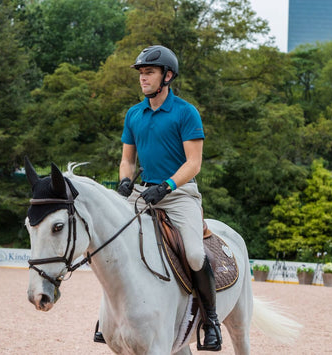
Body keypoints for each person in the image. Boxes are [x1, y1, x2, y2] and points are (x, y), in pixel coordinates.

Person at [116, 45, 221, 351]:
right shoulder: (133, 114)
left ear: (168, 76)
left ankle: (210, 321)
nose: (143, 78)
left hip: (179, 194)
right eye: (141, 73)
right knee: (112, 239)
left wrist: (166, 186)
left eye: (149, 72)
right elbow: (128, 160)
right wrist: (125, 181)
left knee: (193, 254)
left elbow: (193, 163)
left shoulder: (185, 112)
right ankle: (109, 318)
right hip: (143, 191)